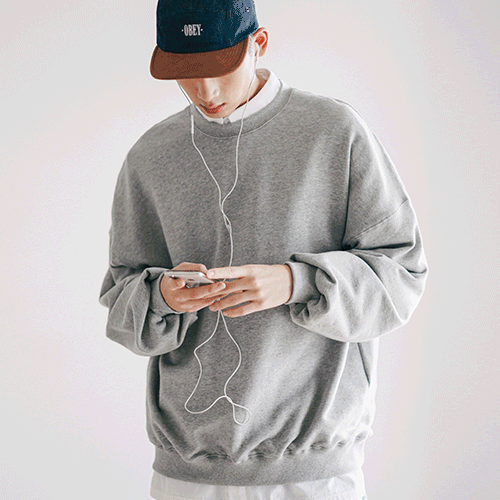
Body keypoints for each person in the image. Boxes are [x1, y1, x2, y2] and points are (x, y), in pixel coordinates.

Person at [99, 0, 428, 498]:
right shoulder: (150, 156)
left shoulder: (334, 133)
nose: (205, 91)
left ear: (259, 44)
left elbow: (402, 274)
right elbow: (120, 301)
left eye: (218, 68)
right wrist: (163, 296)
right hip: (188, 474)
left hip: (314, 474)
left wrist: (297, 283)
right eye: (186, 72)